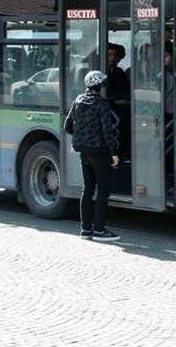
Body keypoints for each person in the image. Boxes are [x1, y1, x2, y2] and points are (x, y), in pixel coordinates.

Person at [64, 70, 121, 243]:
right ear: (100, 86)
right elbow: (107, 130)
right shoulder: (101, 104)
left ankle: (85, 229)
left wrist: (80, 136)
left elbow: (67, 126)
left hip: (84, 152)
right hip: (100, 152)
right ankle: (99, 229)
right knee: (102, 190)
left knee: (87, 189)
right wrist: (114, 152)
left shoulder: (78, 101)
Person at [105, 43, 131, 158]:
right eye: (109, 54)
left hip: (123, 105)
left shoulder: (119, 72)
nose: (112, 58)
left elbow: (127, 90)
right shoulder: (99, 72)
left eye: (115, 55)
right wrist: (114, 100)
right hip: (109, 108)